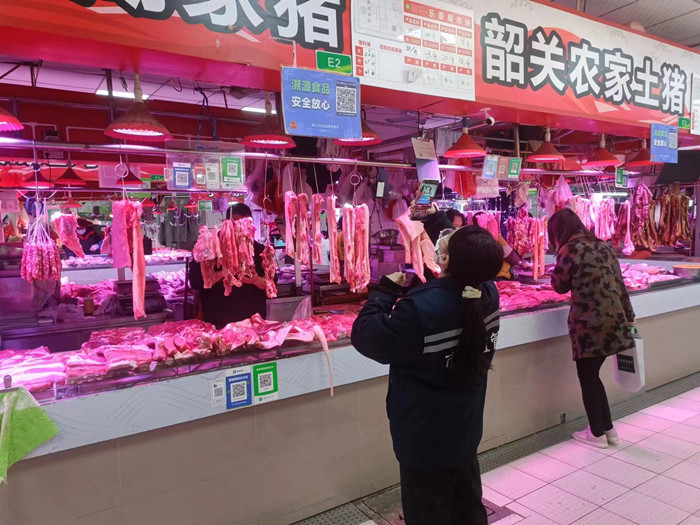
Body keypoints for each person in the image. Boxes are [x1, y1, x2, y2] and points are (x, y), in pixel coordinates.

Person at [351, 226, 503, 525]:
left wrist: (384, 292)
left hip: (425, 439)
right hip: (466, 428)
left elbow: (366, 336)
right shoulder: (488, 293)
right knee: (468, 509)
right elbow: (455, 290)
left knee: (428, 515)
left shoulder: (420, 309)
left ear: (446, 260)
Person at [549, 208, 635, 449]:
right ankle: (608, 429)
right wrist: (630, 317)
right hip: (614, 323)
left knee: (587, 378)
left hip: (589, 326)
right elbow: (620, 284)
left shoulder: (570, 250)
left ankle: (596, 433)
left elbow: (559, 286)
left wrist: (553, 271)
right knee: (592, 377)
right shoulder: (605, 246)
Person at [189, 203, 268, 329]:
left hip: (252, 323)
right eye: (235, 224)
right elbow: (195, 281)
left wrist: (257, 280)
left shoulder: (259, 250)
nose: (239, 228)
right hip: (218, 322)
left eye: (245, 224)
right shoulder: (208, 248)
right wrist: (221, 274)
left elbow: (270, 285)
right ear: (226, 223)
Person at [472, 212, 521, 280]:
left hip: (482, 278)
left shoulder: (473, 239)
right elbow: (514, 259)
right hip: (500, 277)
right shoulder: (497, 238)